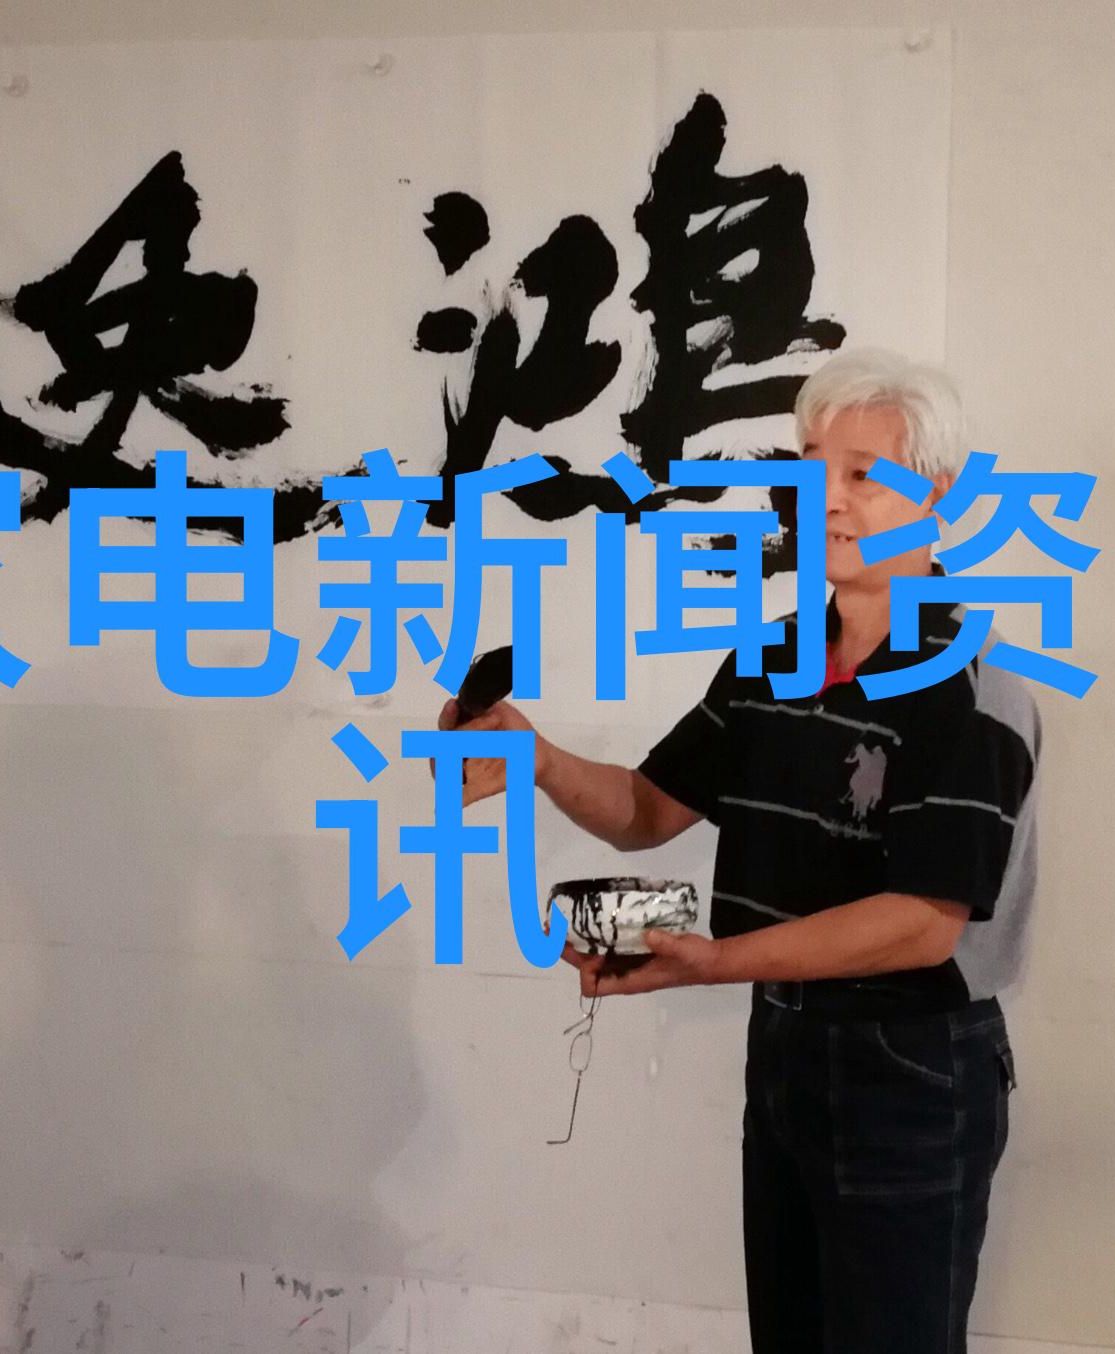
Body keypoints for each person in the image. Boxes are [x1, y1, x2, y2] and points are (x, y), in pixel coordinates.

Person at [440, 348, 1037, 1353]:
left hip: (912, 1072)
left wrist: (711, 961)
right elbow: (646, 809)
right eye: (812, 467)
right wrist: (534, 756)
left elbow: (922, 924)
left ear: (937, 492)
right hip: (786, 1052)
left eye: (863, 472)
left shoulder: (973, 682)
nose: (828, 498)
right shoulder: (772, 656)